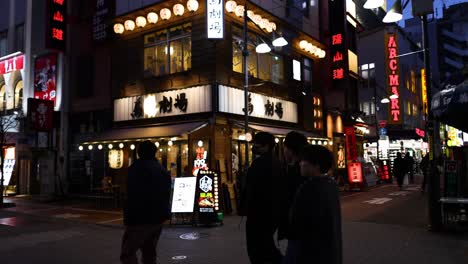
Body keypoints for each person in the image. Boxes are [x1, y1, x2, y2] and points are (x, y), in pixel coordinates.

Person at [283, 145, 342, 264]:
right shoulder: (331, 185)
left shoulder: (308, 188)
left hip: (308, 250)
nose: (300, 164)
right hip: (329, 250)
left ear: (316, 165)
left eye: (304, 160)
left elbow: (297, 222)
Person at [120, 141, 171, 264]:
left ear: (139, 152)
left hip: (140, 218)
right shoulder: (161, 169)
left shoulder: (137, 168)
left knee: (128, 253)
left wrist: (128, 217)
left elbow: (132, 194)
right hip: (158, 217)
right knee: (149, 252)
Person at [241, 132, 283, 264]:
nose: (254, 148)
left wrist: (244, 208)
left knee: (258, 249)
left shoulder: (259, 164)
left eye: (257, 146)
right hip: (272, 213)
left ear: (267, 147)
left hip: (258, 214)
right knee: (266, 245)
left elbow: (251, 189)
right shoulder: (278, 163)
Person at [278, 131, 308, 241]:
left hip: (297, 228)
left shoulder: (297, 172)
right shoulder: (304, 169)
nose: (283, 151)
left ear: (291, 150)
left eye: (285, 147)